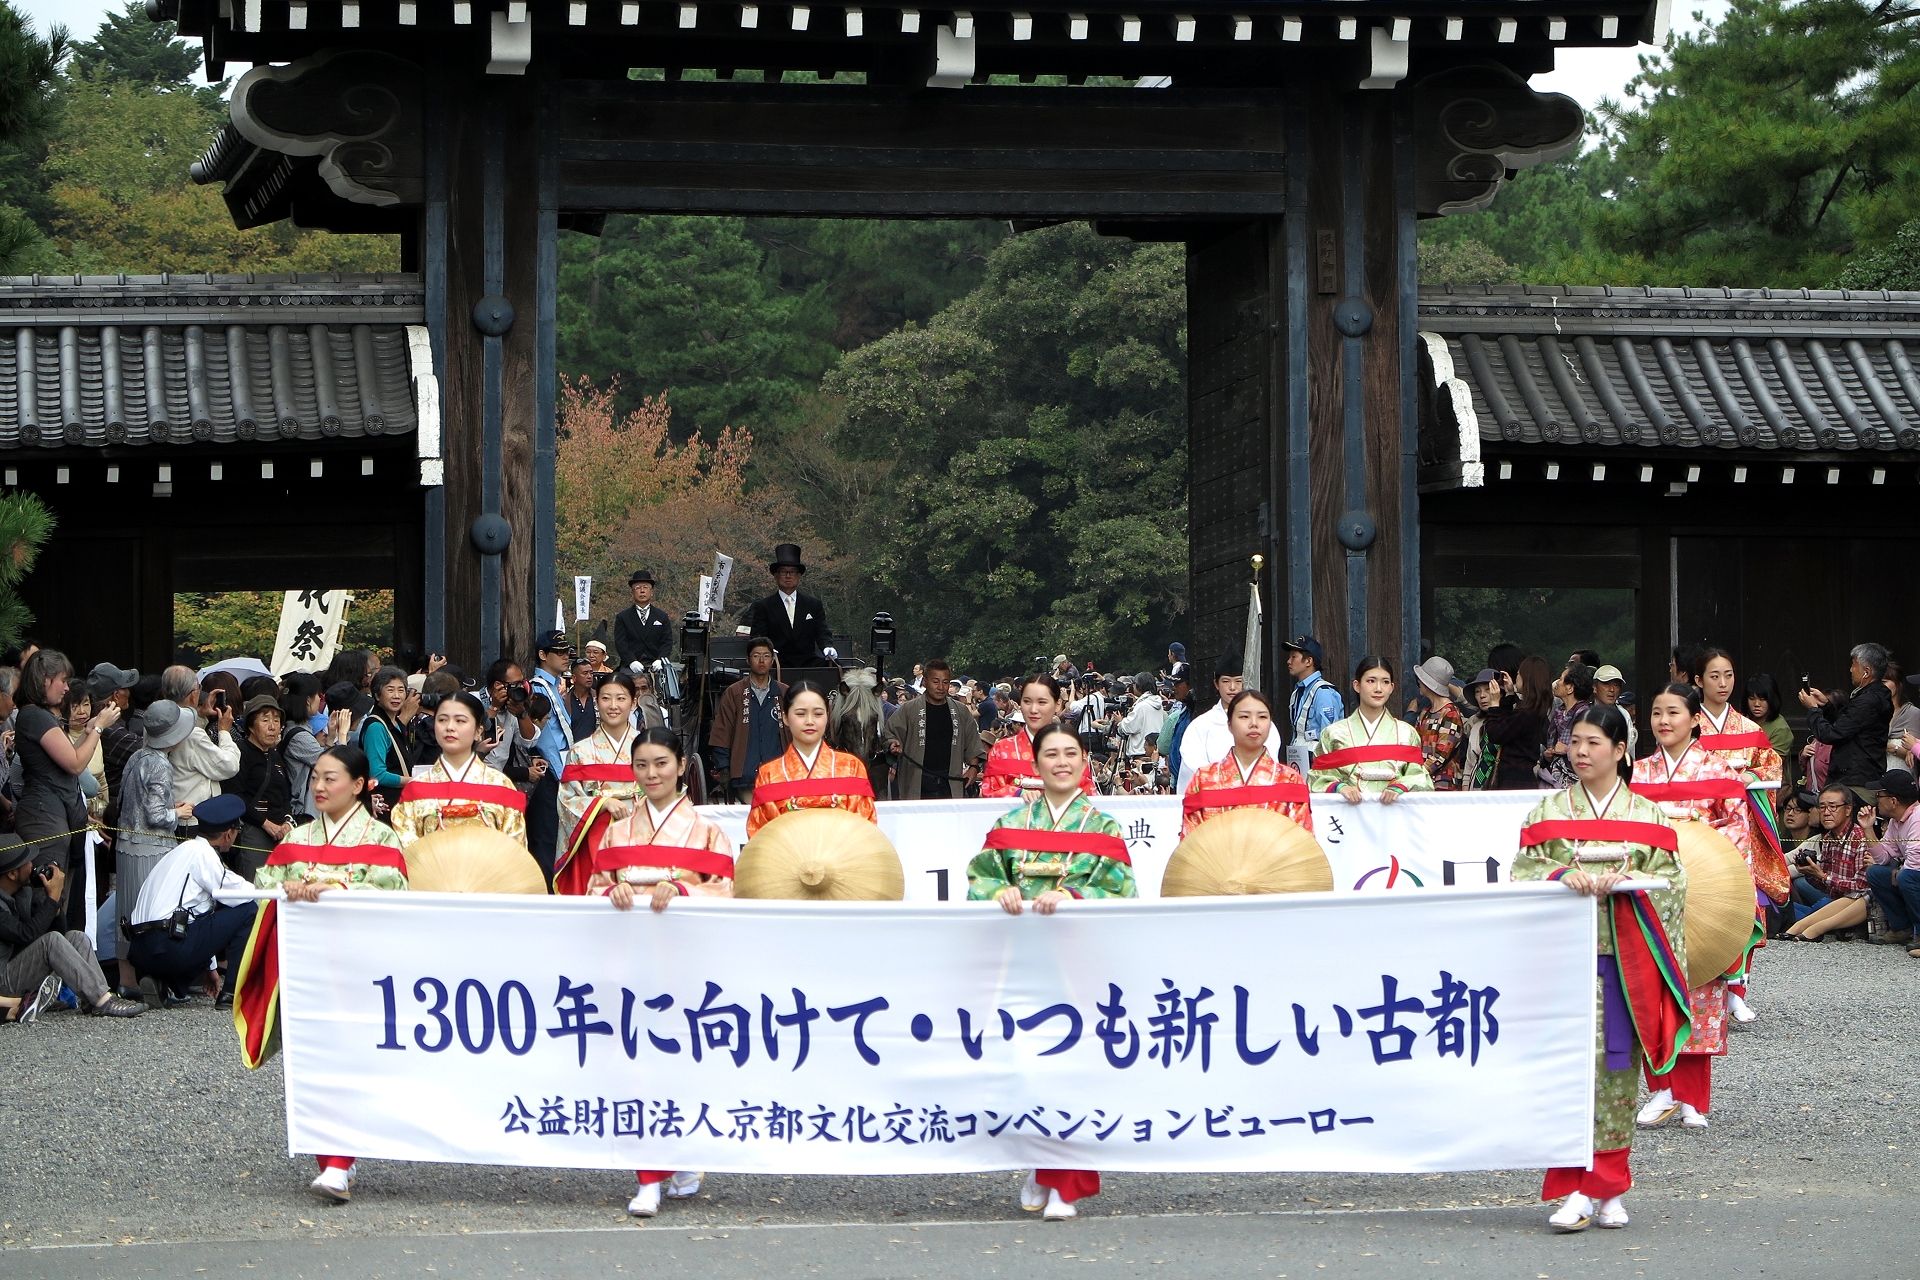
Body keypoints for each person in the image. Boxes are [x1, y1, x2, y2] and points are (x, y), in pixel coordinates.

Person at [1511, 703, 1689, 1233]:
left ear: (1620, 750)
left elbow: (1673, 884)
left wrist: (1630, 881)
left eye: (1594, 742)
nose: (1581, 752)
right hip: (1564, 962)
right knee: (1570, 1071)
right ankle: (1585, 1189)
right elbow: (1522, 870)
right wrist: (1559, 874)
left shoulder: (1649, 816)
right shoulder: (1547, 812)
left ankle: (1603, 1187)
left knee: (1616, 1071)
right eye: (1575, 741)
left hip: (1624, 965)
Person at [968, 722, 1133, 1221]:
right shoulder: (1011, 820)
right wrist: (1000, 891)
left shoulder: (1103, 826)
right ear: (1036, 764)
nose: (1062, 762)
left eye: (1071, 754)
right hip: (1021, 961)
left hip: (1078, 962)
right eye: (1051, 754)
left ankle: (1066, 1183)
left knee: (1072, 1067)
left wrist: (1075, 894)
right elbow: (981, 877)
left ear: (1085, 762)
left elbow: (1122, 891)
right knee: (1026, 1067)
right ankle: (1042, 1165)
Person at [240, 743, 409, 1200]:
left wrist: (331, 886)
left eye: (330, 778)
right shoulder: (299, 837)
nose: (318, 786)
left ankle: (340, 1160)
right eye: (315, 776)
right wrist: (289, 886)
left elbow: (394, 889)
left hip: (359, 964)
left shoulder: (381, 837)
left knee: (350, 1056)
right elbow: (264, 883)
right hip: (305, 962)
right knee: (311, 1057)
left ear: (358, 786)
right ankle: (333, 1162)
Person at [588, 727, 736, 1218]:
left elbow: (726, 890)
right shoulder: (616, 831)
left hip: (683, 960)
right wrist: (611, 892)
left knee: (682, 1062)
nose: (651, 774)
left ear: (681, 766)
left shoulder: (707, 831)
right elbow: (594, 887)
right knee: (637, 1064)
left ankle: (682, 1152)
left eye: (661, 763)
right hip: (631, 961)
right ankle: (648, 1176)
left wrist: (685, 890)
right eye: (642, 765)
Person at [1630, 683, 1752, 1130]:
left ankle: (1691, 1098)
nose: (1663, 721)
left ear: (1695, 718)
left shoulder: (1718, 769)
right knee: (1653, 992)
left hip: (1703, 890)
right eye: (1656, 713)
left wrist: (1702, 838)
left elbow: (1738, 832)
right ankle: (1662, 1088)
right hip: (1651, 892)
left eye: (1673, 712)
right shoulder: (1638, 772)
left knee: (1700, 989)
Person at [12, 651, 119, 931]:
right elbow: (74, 764)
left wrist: (91, 728)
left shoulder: (39, 715)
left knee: (60, 901)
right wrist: (99, 729)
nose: (67, 687)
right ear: (45, 680)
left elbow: (68, 756)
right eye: (62, 680)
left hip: (57, 815)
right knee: (48, 899)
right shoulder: (35, 716)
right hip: (44, 818)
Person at [124, 794, 259, 1007]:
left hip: (139, 951)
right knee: (249, 909)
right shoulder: (203, 854)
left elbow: (198, 913)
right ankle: (232, 992)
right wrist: (275, 891)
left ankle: (161, 983)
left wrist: (210, 967)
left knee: (199, 917)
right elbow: (239, 893)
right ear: (228, 834)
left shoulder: (179, 851)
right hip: (167, 948)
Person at [0, 837, 145, 1021]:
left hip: (19, 970)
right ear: (13, 874)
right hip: (4, 985)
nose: (32, 865)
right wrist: (52, 900)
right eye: (27, 862)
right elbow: (26, 934)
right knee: (50, 941)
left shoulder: (22, 894)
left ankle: (97, 998)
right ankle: (103, 1002)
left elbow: (59, 931)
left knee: (77, 937)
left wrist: (54, 901)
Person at [114, 701, 198, 990]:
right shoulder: (160, 764)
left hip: (126, 846)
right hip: (152, 849)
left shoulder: (137, 756)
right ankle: (155, 979)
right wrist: (178, 813)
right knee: (153, 914)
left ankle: (127, 981)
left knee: (126, 912)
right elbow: (156, 815)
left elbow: (127, 802)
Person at [389, 692, 529, 847]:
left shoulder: (501, 785)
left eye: (460, 720)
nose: (450, 727)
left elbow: (514, 852)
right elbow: (408, 852)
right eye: (442, 720)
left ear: (478, 731)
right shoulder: (416, 790)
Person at [745, 681, 878, 838]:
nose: (810, 721)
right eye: (800, 714)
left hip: (842, 852)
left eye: (818, 714)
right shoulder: (768, 774)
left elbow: (865, 830)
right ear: (785, 717)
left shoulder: (852, 767)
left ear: (828, 716)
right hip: (787, 853)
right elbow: (761, 836)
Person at [554, 672, 645, 895]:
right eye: (606, 698)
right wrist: (602, 804)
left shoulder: (649, 748)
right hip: (594, 840)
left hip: (641, 835)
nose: (613, 706)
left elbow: (668, 792)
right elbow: (567, 799)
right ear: (597, 702)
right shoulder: (581, 751)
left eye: (621, 698)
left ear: (633, 702)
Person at [1180, 690, 1312, 835]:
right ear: (1229, 724)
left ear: (1270, 724)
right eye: (1244, 716)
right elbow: (1192, 842)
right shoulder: (1203, 779)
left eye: (1262, 717)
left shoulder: (1291, 780)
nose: (1254, 723)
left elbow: (1301, 843)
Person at [1310, 657, 1432, 802]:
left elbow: (1420, 777)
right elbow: (1317, 777)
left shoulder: (1407, 733)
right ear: (1357, 685)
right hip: (1348, 811)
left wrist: (1401, 786)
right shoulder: (1333, 733)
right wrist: (1339, 787)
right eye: (1371, 681)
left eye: (1385, 682)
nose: (1378, 688)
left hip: (1395, 811)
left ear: (1392, 687)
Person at [1800, 643, 1894, 802]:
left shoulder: (1867, 701)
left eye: (1854, 664)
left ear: (1866, 672)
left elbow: (1831, 734)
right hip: (1859, 776)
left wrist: (1813, 709)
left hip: (1855, 781)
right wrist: (1826, 706)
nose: (1850, 669)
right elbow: (1847, 725)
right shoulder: (1874, 696)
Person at [1177, 651, 1282, 792]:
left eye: (1238, 681)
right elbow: (1192, 768)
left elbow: (1271, 764)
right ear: (1216, 683)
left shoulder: (1263, 724)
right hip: (1214, 797)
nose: (1232, 687)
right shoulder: (1200, 725)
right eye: (1226, 681)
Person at [981, 675, 1096, 800]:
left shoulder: (1072, 750)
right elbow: (989, 791)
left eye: (1042, 702)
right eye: (1027, 702)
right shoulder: (1001, 749)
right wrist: (1018, 793)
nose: (1033, 709)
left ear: (1057, 704)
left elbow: (1087, 794)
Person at [885, 658, 985, 799]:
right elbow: (890, 734)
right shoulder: (909, 709)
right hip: (916, 779)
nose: (941, 687)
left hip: (950, 780)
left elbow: (972, 742)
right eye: (935, 682)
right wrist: (892, 744)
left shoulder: (960, 711)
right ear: (925, 682)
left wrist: (973, 768)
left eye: (945, 682)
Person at [1783, 784, 1872, 940]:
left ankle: (1807, 928)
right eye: (1822, 807)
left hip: (1857, 903)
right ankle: (1799, 925)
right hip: (1835, 899)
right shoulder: (1828, 838)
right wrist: (1810, 873)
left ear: (1848, 810)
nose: (1826, 812)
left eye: (1833, 807)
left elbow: (1860, 887)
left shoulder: (1859, 837)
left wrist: (1823, 876)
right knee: (1784, 905)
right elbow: (1826, 888)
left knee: (1817, 906)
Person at [221, 694, 293, 881]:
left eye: (276, 720)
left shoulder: (275, 755)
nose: (272, 726)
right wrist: (266, 823)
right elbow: (236, 796)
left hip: (280, 833)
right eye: (265, 720)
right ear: (251, 726)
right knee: (255, 886)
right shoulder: (241, 752)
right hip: (253, 832)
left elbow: (285, 795)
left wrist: (287, 821)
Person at [708, 637, 785, 804]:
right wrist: (724, 769)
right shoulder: (735, 693)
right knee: (757, 810)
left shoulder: (784, 693)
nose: (761, 660)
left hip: (780, 775)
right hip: (746, 775)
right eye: (756, 655)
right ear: (748, 660)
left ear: (773, 660)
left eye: (766, 655)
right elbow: (722, 732)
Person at [162, 665, 240, 823]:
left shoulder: (157, 722)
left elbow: (185, 726)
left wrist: (200, 715)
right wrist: (224, 731)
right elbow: (229, 766)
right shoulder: (194, 735)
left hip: (172, 808)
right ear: (193, 695)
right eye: (199, 688)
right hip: (191, 817)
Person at [527, 633, 578, 875]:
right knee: (545, 839)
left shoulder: (554, 686)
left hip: (559, 769)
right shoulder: (538, 688)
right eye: (559, 652)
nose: (565, 656)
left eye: (567, 652)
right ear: (543, 655)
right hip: (549, 772)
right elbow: (546, 742)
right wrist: (564, 777)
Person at [738, 544, 829, 670]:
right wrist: (768, 651)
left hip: (808, 660)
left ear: (799, 576)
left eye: (793, 572)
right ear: (775, 576)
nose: (788, 575)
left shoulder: (813, 604)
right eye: (783, 572)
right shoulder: (763, 606)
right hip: (777, 661)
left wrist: (827, 647)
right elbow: (758, 636)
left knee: (837, 668)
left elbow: (822, 631)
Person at [1862, 768, 1920, 955]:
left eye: (1880, 795)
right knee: (1875, 873)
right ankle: (1902, 928)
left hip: (1915, 871)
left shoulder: (1917, 818)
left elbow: (1917, 859)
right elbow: (1883, 858)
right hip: (1912, 871)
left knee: (1906, 877)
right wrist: (1868, 829)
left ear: (1893, 801)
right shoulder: (1896, 821)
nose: (1877, 800)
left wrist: (1901, 871)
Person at [1481, 655, 1552, 790]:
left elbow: (1496, 734)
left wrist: (1494, 705)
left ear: (1527, 679)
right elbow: (1507, 725)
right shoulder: (1534, 710)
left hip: (1513, 780)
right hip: (1522, 777)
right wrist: (1509, 695)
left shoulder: (1525, 713)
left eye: (1519, 674)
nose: (1516, 678)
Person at [1283, 635, 1345, 778]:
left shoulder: (1323, 692)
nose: (1289, 661)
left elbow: (1330, 736)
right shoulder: (1297, 692)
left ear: (1308, 661)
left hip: (1317, 767)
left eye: (1293, 656)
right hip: (1298, 762)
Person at [357, 666, 415, 812]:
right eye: (390, 690)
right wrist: (414, 781)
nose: (396, 696)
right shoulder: (376, 727)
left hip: (399, 804)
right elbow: (377, 775)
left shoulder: (395, 723)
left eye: (401, 690)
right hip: (385, 806)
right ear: (377, 695)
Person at [1410, 657, 1464, 789]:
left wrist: (1413, 776)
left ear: (1428, 683)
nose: (1418, 682)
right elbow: (1414, 744)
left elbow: (1440, 756)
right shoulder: (1425, 712)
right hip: (1422, 783)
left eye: (1421, 679)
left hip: (1444, 786)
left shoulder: (1450, 713)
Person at [1540, 663, 1595, 788]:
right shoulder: (1558, 712)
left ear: (1570, 688)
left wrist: (1567, 749)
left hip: (1578, 782)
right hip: (1555, 779)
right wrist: (1549, 755)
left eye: (1560, 679)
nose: (1557, 683)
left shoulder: (1585, 715)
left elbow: (1592, 748)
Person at [1453, 669, 1504, 791]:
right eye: (1477, 691)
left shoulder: (1510, 723)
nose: (1482, 695)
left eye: (1488, 689)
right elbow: (1469, 767)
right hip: (1476, 789)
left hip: (1502, 791)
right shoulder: (1477, 727)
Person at [614, 570, 674, 673]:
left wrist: (660, 659)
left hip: (656, 664)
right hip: (631, 666)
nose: (642, 591)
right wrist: (631, 661)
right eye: (638, 588)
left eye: (645, 587)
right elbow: (621, 643)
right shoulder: (623, 617)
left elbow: (667, 641)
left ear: (652, 592)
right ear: (632, 593)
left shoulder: (662, 616)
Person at [1117, 673, 1166, 770]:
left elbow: (1129, 727)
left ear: (1139, 686)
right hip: (1153, 751)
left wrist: (1120, 722)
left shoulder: (1142, 706)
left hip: (1140, 752)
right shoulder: (1157, 703)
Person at [1745, 674, 1793, 765]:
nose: (1757, 704)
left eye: (1762, 699)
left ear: (1772, 699)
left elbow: (1772, 764)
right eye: (1752, 698)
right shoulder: (1740, 721)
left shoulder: (1780, 729)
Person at [1591, 666, 1636, 757]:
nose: (1611, 689)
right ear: (1595, 688)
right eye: (1606, 684)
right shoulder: (1585, 712)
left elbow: (1630, 748)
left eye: (1616, 685)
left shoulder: (1623, 714)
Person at [564, 659, 599, 741]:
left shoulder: (599, 698)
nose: (589, 676)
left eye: (591, 673)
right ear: (574, 678)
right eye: (585, 673)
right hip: (573, 746)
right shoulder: (565, 701)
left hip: (596, 746)